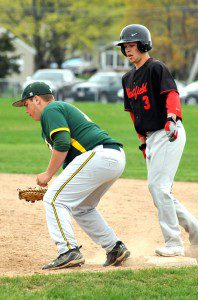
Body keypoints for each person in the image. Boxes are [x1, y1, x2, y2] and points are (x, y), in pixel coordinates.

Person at [116, 24, 198, 257]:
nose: (128, 50)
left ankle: (174, 243)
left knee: (158, 188)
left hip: (168, 130)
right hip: (151, 137)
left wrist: (172, 117)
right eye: (125, 47)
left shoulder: (156, 67)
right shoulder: (127, 78)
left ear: (143, 45)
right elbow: (133, 112)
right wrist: (142, 141)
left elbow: (171, 94)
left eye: (132, 45)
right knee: (160, 192)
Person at [12, 82, 130, 269]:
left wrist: (48, 175)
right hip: (111, 157)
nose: (26, 110)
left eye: (26, 104)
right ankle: (115, 248)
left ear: (37, 99)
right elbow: (69, 157)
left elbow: (62, 143)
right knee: (82, 207)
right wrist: (61, 189)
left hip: (99, 156)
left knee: (53, 200)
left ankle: (68, 252)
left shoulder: (50, 110)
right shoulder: (59, 109)